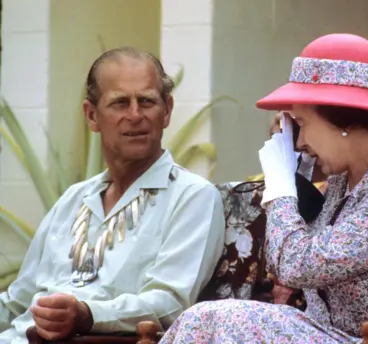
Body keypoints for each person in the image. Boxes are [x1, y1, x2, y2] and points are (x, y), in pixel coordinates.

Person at [159, 33, 368, 343]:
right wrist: (299, 174)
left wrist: (280, 186)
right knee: (205, 317)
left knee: (224, 320)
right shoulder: (344, 183)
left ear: (343, 123)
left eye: (303, 122)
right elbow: (285, 256)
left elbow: (296, 265)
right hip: (331, 336)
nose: (299, 140)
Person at [0, 47, 225, 343]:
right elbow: (18, 300)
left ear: (167, 110)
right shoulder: (73, 198)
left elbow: (170, 303)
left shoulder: (193, 197)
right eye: (120, 103)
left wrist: (86, 314)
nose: (135, 115)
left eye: (147, 101)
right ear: (92, 115)